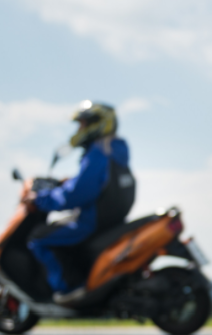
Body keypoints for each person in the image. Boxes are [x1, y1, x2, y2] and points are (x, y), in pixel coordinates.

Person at [26, 101, 136, 304]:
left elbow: (77, 194)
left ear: (97, 124)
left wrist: (43, 199)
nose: (79, 130)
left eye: (82, 124)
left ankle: (68, 290)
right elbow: (90, 184)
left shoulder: (98, 153)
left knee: (39, 238)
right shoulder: (116, 151)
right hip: (110, 220)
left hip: (91, 222)